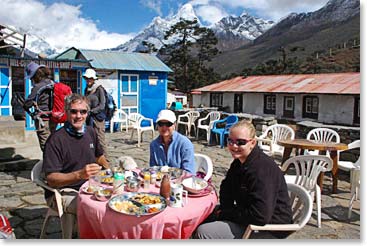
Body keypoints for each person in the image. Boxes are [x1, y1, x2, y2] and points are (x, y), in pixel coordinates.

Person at [193, 120, 293, 239]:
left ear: (252, 143)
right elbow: (226, 188)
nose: (234, 146)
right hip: (247, 215)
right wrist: (225, 210)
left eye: (241, 142)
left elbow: (260, 216)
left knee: (204, 231)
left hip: (268, 228)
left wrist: (228, 214)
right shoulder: (239, 162)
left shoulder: (261, 169)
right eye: (230, 140)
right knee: (201, 216)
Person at [42, 93, 110, 220]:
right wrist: (79, 175)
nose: (78, 116)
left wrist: (109, 170)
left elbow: (98, 156)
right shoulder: (55, 140)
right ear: (66, 112)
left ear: (87, 113)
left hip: (90, 187)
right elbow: (51, 179)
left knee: (115, 201)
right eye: (74, 112)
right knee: (98, 210)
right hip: (63, 192)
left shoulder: (90, 131)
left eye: (83, 112)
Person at [23, 62, 57, 151]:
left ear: (35, 76)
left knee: (46, 146)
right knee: (53, 144)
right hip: (54, 118)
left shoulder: (38, 87)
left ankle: (49, 164)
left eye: (32, 78)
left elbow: (27, 104)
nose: (31, 80)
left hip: (43, 121)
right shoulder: (52, 83)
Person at [149, 109, 195, 174]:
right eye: (161, 124)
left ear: (174, 125)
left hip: (181, 181)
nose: (164, 127)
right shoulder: (154, 145)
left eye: (168, 124)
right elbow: (153, 170)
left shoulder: (185, 144)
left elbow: (189, 172)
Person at [83, 68, 108, 159]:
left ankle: (106, 160)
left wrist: (92, 111)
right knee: (90, 139)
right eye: (87, 78)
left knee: (100, 140)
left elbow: (102, 105)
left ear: (94, 79)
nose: (88, 80)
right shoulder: (87, 89)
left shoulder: (99, 89)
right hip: (89, 118)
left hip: (98, 118)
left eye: (90, 78)